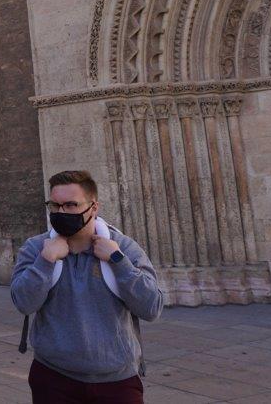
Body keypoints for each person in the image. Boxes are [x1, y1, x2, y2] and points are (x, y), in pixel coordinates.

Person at [11, 170, 164, 404]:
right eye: (55, 205)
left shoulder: (124, 248)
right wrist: (46, 261)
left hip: (117, 381)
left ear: (93, 207)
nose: (62, 212)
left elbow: (152, 307)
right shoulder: (36, 248)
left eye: (71, 205)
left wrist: (117, 261)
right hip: (53, 378)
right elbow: (23, 303)